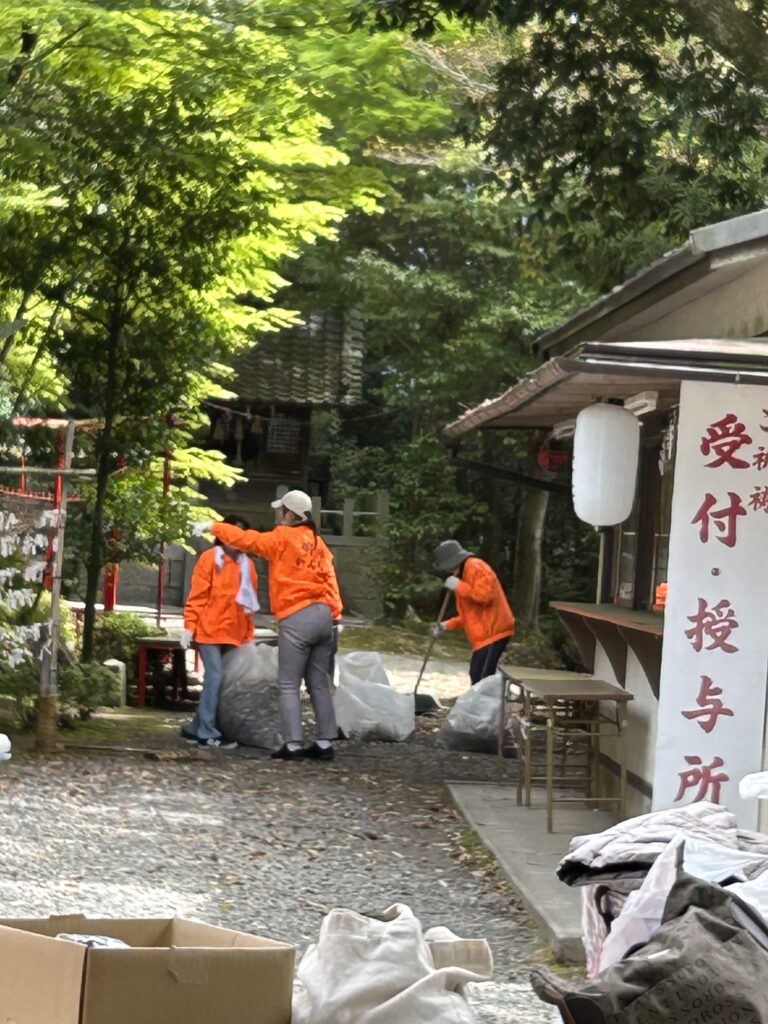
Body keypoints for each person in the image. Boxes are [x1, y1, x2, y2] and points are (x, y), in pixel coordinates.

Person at [200, 489, 342, 762]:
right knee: (318, 683)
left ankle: (293, 744)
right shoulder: (318, 542)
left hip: (297, 615)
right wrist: (336, 614)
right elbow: (330, 578)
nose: (279, 514)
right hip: (324, 616)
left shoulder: (282, 537)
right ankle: (325, 743)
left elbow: (248, 540)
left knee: (288, 683)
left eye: (281, 510)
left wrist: (214, 527)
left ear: (290, 514)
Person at [180, 514, 259, 748]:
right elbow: (198, 595)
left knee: (223, 680)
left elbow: (249, 604)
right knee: (214, 676)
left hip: (234, 631)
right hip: (209, 629)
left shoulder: (248, 565)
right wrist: (189, 627)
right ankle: (206, 731)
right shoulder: (210, 558)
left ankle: (196, 727)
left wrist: (249, 635)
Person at [431, 539, 515, 685]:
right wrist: (446, 625)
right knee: (476, 674)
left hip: (494, 632)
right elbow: (469, 615)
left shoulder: (476, 567)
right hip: (483, 638)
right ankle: (482, 699)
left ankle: (486, 700)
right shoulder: (462, 575)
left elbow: (484, 596)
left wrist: (459, 586)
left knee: (482, 679)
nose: (447, 572)